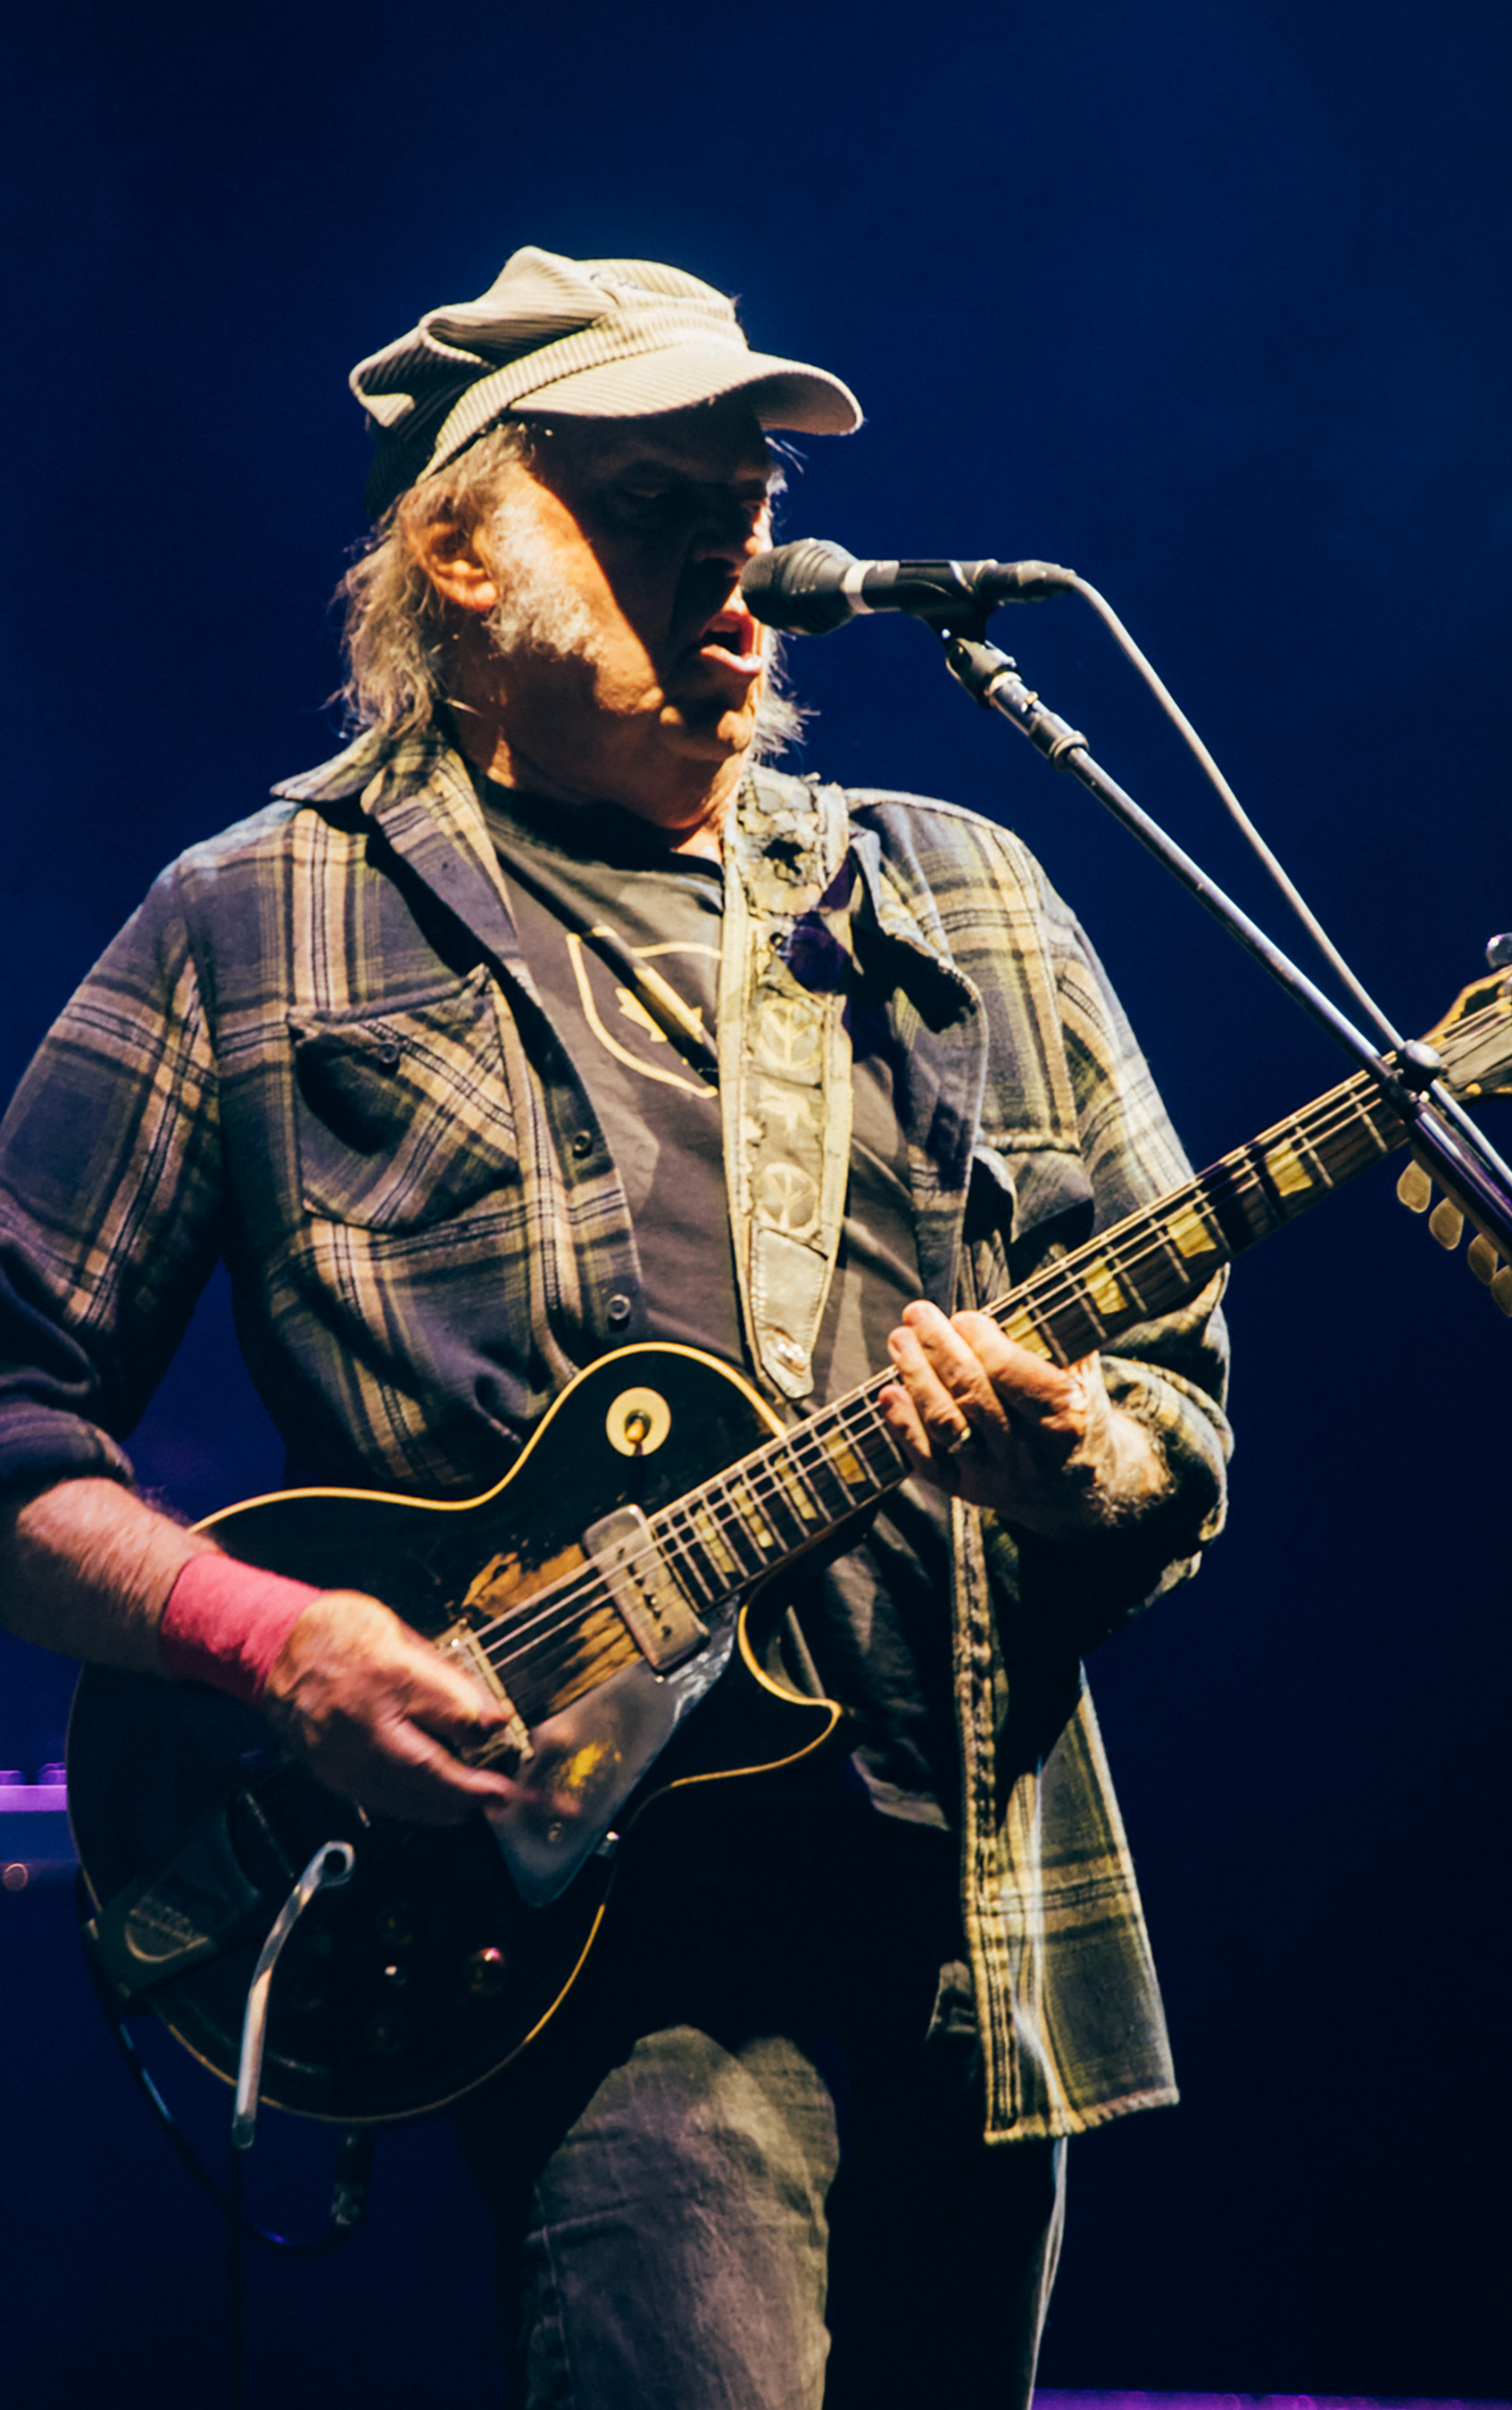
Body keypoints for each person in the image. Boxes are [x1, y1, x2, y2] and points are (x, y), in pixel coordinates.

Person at [0, 247, 1230, 2408]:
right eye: (653, 501)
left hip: (965, 1910)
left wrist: (1075, 1458)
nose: (733, 554)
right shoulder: (258, 917)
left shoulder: (961, 898)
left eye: (742, 502)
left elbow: (1173, 1412)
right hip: (591, 1945)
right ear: (463, 545)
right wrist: (276, 1639)